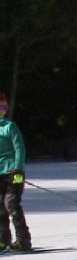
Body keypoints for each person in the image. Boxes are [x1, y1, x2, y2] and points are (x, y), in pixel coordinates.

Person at [0, 90, 30, 251]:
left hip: (13, 174)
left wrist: (18, 168)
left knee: (11, 204)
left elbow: (20, 148)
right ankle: (3, 240)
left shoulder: (10, 127)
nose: (2, 110)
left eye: (4, 107)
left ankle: (23, 240)